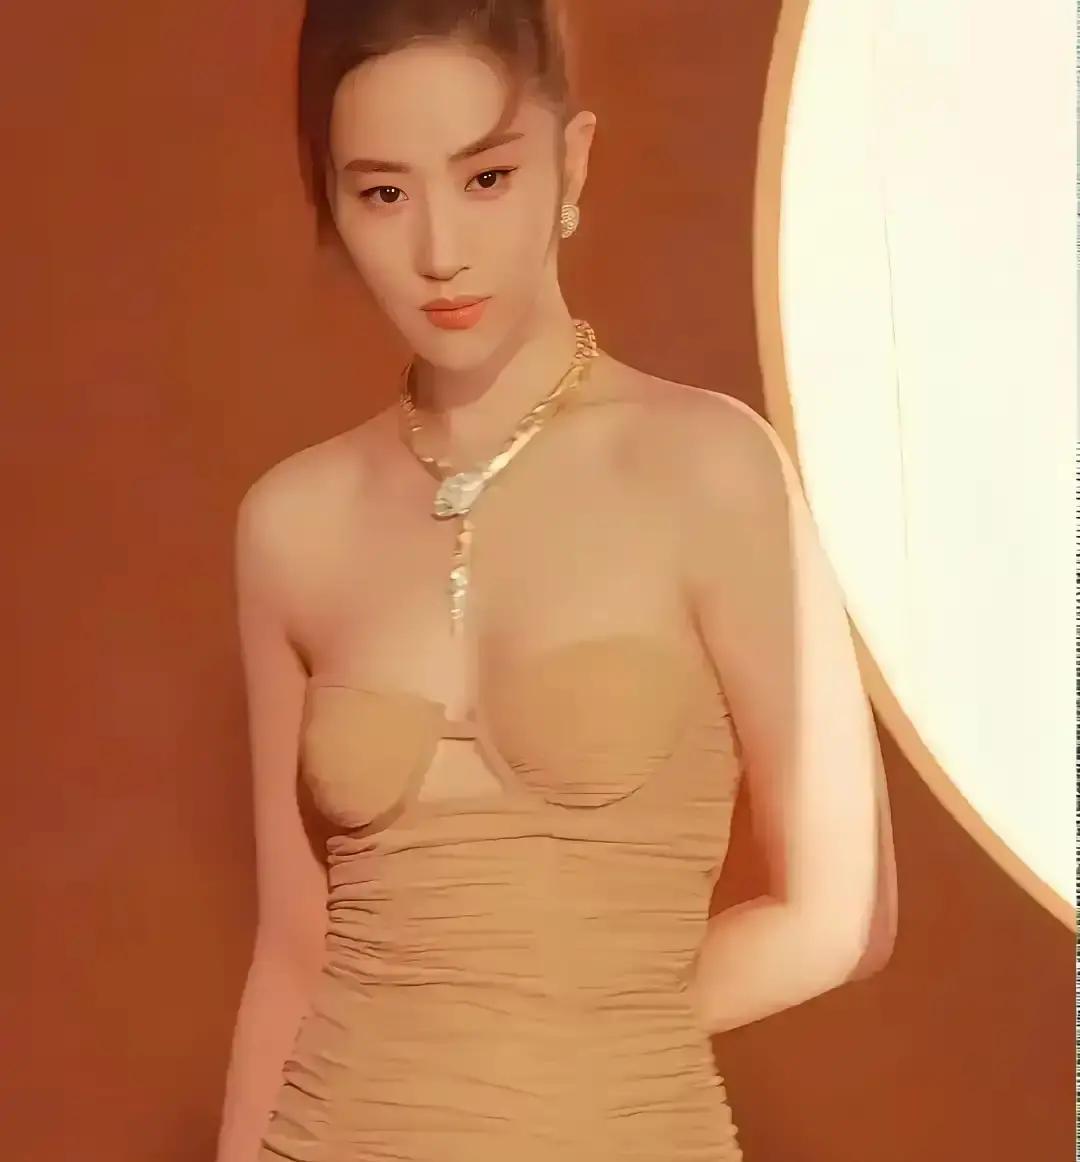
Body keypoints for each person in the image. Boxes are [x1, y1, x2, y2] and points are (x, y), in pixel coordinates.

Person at [215, 2, 898, 1159]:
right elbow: (293, 951)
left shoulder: (708, 467)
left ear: (571, 161)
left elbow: (840, 917)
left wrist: (537, 1044)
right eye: (383, 192)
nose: (439, 249)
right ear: (330, 198)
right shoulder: (292, 521)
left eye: (486, 177)